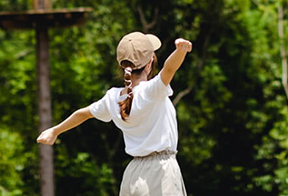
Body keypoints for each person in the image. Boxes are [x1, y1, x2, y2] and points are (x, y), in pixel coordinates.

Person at [37, 32, 192, 196]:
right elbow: (169, 68)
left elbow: (83, 114)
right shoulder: (152, 91)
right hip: (160, 172)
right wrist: (180, 51)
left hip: (133, 173)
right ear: (149, 63)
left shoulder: (113, 98)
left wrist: (55, 131)